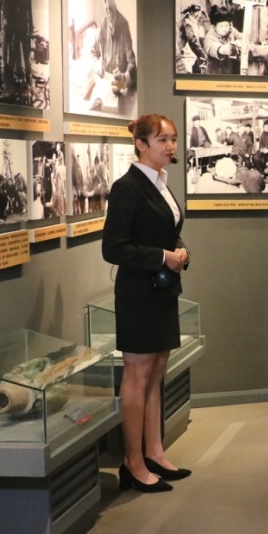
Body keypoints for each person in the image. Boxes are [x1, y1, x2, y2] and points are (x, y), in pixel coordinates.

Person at [102, 114, 192, 493]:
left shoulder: (160, 183)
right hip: (138, 295)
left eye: (173, 139)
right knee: (137, 377)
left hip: (162, 291)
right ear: (141, 144)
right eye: (162, 140)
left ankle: (154, 452)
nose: (171, 147)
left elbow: (167, 232)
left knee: (156, 374)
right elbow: (113, 248)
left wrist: (180, 251)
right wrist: (162, 256)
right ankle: (133, 462)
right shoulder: (127, 187)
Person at [92, 0, 137, 117]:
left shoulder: (124, 25)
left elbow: (133, 68)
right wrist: (97, 62)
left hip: (119, 94)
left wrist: (121, 81)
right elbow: (93, 51)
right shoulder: (101, 25)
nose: (106, 4)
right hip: (104, 87)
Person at [204, 5, 245, 75]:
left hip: (232, 70)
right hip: (216, 72)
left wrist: (239, 42)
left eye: (226, 26)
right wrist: (221, 50)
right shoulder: (209, 37)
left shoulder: (231, 30)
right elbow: (211, 47)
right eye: (221, 26)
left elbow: (242, 38)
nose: (224, 29)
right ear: (215, 26)